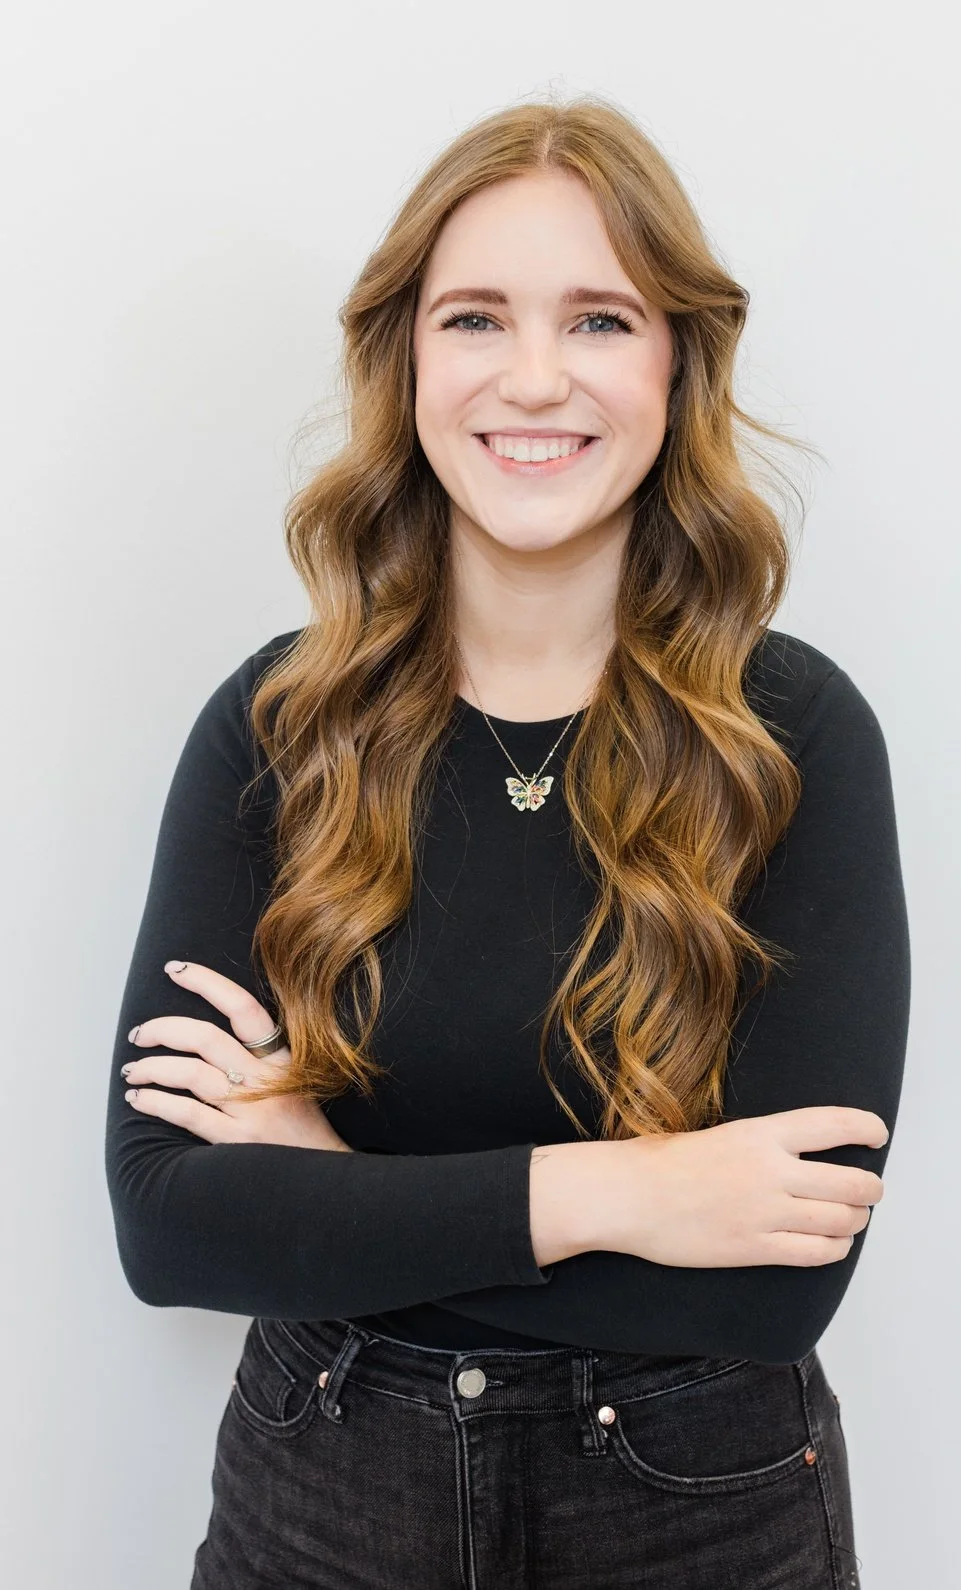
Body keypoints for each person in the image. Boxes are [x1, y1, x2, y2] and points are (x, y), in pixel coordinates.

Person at [106, 94, 910, 1590]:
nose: (535, 377)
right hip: (320, 1503)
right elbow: (172, 1228)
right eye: (475, 317)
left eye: (601, 320)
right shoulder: (275, 728)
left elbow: (779, 1289)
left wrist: (325, 1185)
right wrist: (640, 1193)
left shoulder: (793, 741)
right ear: (408, 359)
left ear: (678, 363)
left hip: (700, 1511)